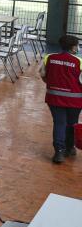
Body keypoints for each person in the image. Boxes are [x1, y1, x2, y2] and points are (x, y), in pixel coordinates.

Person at [40, 34, 82, 164]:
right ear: (73, 48)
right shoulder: (79, 62)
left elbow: (42, 74)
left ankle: (59, 152)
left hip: (54, 98)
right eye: (77, 46)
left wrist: (51, 83)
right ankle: (69, 148)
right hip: (74, 100)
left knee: (59, 123)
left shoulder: (49, 58)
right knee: (72, 123)